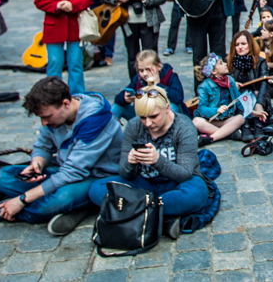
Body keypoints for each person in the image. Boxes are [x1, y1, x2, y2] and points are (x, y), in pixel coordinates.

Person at [0, 77, 122, 236]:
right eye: (41, 118)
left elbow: (73, 172)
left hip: (97, 177)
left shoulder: (96, 119)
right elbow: (43, 146)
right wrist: (38, 163)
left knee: (61, 198)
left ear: (66, 104)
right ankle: (75, 208)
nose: (43, 123)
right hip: (65, 171)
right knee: (3, 176)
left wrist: (22, 200)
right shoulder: (56, 116)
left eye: (46, 117)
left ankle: (2, 211)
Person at [88, 83, 207, 239]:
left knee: (198, 193)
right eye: (143, 117)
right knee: (96, 188)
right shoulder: (134, 126)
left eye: (153, 117)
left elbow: (185, 173)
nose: (148, 123)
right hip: (143, 185)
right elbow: (124, 173)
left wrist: (158, 160)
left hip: (175, 184)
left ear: (167, 108)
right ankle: (159, 214)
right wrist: (130, 162)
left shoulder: (183, 126)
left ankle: (133, 211)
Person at [33, 0, 94, 94]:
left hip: (74, 24)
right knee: (54, 62)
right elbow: (38, 0)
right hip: (54, 25)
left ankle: (77, 94)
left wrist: (72, 5)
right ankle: (53, 94)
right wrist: (55, 5)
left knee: (75, 63)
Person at [113, 49, 184, 120]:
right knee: (117, 107)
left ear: (159, 66)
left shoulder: (170, 76)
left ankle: (168, 130)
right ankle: (107, 129)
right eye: (141, 70)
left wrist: (158, 85)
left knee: (172, 106)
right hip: (144, 115)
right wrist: (125, 99)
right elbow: (117, 98)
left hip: (163, 116)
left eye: (148, 70)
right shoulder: (139, 79)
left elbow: (178, 97)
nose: (144, 74)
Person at [193, 53, 245, 145]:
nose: (225, 64)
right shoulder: (204, 86)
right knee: (196, 122)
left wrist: (252, 112)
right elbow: (201, 109)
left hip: (226, 119)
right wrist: (216, 110)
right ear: (213, 71)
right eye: (221, 63)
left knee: (240, 118)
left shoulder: (230, 80)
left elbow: (238, 99)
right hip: (211, 121)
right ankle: (229, 134)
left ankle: (212, 137)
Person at [228, 30, 270, 140]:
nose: (240, 47)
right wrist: (232, 83)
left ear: (250, 45)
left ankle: (258, 126)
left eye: (243, 44)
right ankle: (245, 126)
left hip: (257, 98)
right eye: (237, 45)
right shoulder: (230, 62)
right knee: (242, 94)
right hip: (238, 100)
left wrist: (260, 103)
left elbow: (263, 85)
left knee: (255, 93)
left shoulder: (260, 61)